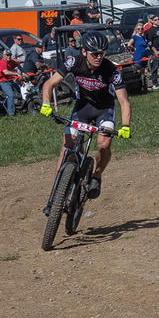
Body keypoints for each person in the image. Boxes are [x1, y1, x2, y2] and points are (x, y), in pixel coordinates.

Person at [39, 30, 132, 205]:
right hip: (82, 108)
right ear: (84, 52)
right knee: (67, 146)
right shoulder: (74, 62)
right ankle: (58, 191)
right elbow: (49, 84)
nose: (98, 57)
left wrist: (125, 125)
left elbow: (124, 101)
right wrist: (46, 103)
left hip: (104, 109)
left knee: (104, 144)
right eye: (94, 53)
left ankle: (97, 174)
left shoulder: (111, 70)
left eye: (102, 53)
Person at [0, 48, 22, 115]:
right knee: (11, 95)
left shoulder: (11, 61)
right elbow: (6, 72)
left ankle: (21, 107)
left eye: (10, 55)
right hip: (2, 82)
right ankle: (11, 113)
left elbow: (18, 65)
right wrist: (16, 74)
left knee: (20, 92)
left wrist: (25, 73)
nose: (8, 56)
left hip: (10, 80)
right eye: (7, 55)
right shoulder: (2, 63)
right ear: (3, 55)